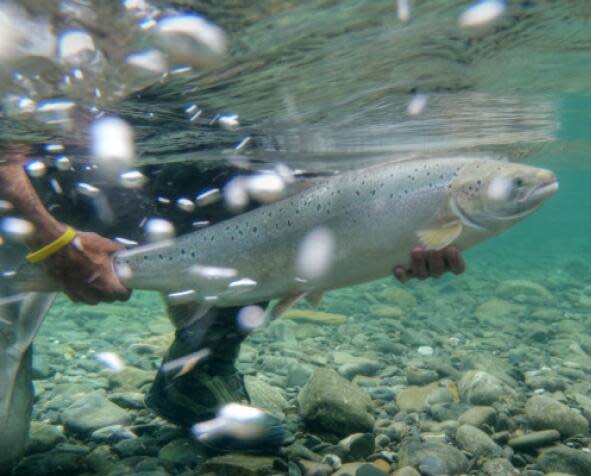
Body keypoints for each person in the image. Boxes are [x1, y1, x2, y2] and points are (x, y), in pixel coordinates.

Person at [0, 144, 465, 432]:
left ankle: (196, 370)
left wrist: (400, 231)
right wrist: (53, 241)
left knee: (260, 189)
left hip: (177, 211)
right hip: (29, 210)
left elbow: (323, 192)